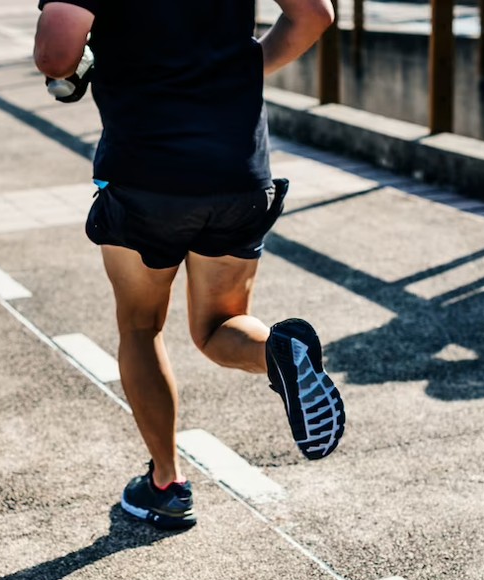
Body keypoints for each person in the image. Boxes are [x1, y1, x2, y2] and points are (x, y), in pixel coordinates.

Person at [34, 0, 345, 530]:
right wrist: (242, 70)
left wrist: (76, 67)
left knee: (140, 327)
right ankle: (277, 352)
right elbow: (315, 14)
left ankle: (166, 484)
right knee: (219, 325)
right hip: (238, 172)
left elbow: (57, 49)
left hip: (145, 175)